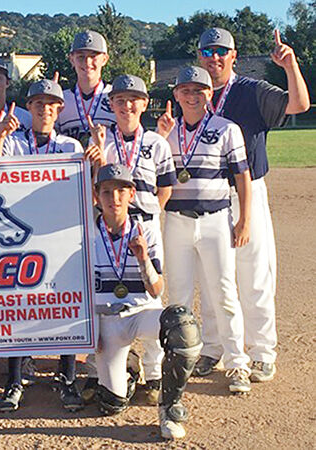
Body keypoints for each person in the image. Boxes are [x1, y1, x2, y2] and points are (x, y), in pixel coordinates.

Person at [187, 27, 310, 382]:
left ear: (233, 55)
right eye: (208, 51)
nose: (214, 57)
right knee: (213, 276)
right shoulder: (194, 95)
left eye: (221, 51)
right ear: (199, 56)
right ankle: (214, 348)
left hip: (247, 190)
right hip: (206, 192)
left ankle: (261, 351)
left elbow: (298, 104)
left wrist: (290, 65)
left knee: (254, 273)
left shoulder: (251, 90)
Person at [0, 79, 85, 412]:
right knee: (17, 304)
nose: (44, 109)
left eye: (51, 105)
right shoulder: (14, 142)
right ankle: (15, 379)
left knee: (64, 302)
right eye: (38, 104)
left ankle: (67, 376)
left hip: (58, 235)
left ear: (60, 110)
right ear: (27, 108)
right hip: (22, 236)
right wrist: (0, 135)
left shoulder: (71, 146)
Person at [92, 163, 202, 440]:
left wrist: (143, 259)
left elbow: (156, 289)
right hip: (107, 320)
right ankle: (129, 368)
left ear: (131, 194)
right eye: (106, 192)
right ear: (97, 196)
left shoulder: (146, 230)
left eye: (120, 191)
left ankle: (170, 408)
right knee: (111, 404)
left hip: (143, 311)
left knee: (182, 326)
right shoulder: (85, 234)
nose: (114, 199)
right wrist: (89, 330)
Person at [163, 65, 254, 393]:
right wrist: (159, 136)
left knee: (224, 293)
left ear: (209, 94)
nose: (192, 95)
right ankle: (178, 364)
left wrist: (245, 219)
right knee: (179, 298)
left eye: (198, 90)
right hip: (176, 221)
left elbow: (242, 176)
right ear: (175, 94)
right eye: (185, 90)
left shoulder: (227, 128)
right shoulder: (165, 133)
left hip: (215, 220)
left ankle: (236, 364)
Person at [56, 30, 116, 145]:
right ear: (71, 59)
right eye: (80, 56)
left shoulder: (117, 97)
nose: (87, 62)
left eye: (93, 56)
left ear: (104, 59)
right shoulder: (60, 99)